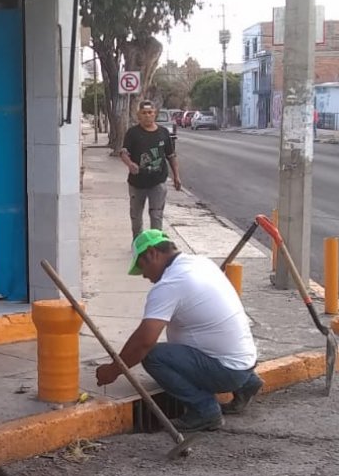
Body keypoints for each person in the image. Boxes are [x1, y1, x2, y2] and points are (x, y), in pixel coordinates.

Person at [95, 230, 264, 433]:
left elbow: (144, 341)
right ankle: (247, 384)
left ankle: (205, 411)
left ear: (151, 254)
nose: (144, 275)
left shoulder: (170, 284)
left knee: (153, 356)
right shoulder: (201, 262)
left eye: (142, 267)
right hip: (245, 362)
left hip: (226, 371)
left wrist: (113, 370)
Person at [120, 101, 182, 239]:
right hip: (137, 183)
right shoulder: (132, 133)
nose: (147, 116)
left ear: (155, 114)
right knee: (136, 217)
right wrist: (130, 164)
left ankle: (156, 245)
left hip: (158, 182)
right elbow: (123, 152)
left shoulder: (163, 133)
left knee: (156, 215)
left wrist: (176, 176)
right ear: (138, 115)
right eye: (144, 113)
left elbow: (171, 156)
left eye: (150, 113)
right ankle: (138, 243)